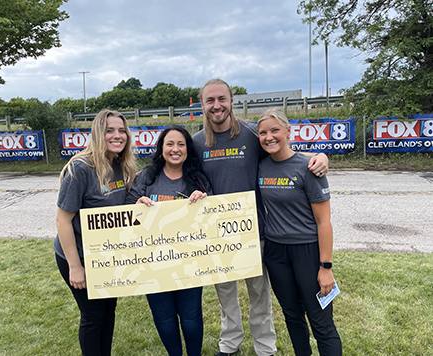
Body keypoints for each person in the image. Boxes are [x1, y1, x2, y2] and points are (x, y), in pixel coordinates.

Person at [192, 79, 329, 356]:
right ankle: (230, 345)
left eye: (222, 99)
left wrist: (321, 156)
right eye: (210, 100)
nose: (216, 105)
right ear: (202, 105)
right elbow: (167, 167)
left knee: (260, 295)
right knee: (226, 295)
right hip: (216, 235)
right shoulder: (196, 142)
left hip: (254, 232)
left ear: (232, 101)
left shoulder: (252, 134)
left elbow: (282, 150)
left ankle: (265, 348)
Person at [257, 108, 342, 356]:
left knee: (321, 321)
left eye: (275, 130)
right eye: (263, 132)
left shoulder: (309, 167)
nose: (269, 137)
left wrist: (326, 267)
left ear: (288, 131)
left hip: (307, 251)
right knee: (292, 316)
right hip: (275, 252)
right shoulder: (260, 167)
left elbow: (324, 221)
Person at [54, 109, 137, 356]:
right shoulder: (80, 168)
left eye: (122, 130)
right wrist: (75, 266)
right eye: (110, 130)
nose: (117, 135)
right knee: (92, 315)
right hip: (77, 255)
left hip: (105, 255)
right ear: (98, 134)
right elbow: (62, 221)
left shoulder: (122, 165)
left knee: (108, 310)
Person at [127, 125, 212, 356]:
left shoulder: (198, 178)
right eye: (170, 144)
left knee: (191, 319)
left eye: (181, 144)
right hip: (153, 263)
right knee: (164, 320)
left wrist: (204, 201)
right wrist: (137, 206)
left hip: (189, 263)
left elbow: (213, 220)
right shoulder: (147, 176)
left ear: (188, 149)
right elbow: (127, 218)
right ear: (161, 148)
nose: (175, 149)